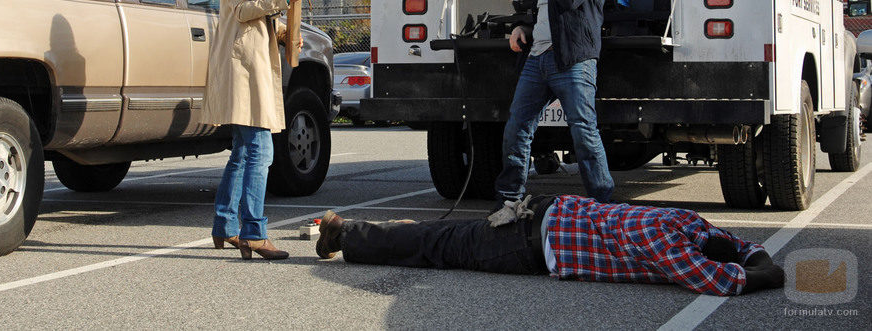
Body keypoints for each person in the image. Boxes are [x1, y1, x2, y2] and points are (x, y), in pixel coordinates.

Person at [314, 195, 785, 296]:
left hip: (541, 217)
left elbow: (735, 246)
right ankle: (347, 233)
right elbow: (714, 278)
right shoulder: (667, 241)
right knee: (437, 246)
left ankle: (357, 230)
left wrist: (753, 256)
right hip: (531, 243)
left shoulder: (688, 223)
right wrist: (765, 272)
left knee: (442, 237)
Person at [203, 0, 306, 261]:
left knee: (245, 151)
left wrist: (284, 34)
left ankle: (225, 226)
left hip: (255, 66)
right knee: (260, 152)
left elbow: (259, 19)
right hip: (242, 69)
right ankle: (254, 233)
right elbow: (242, 12)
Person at [493, 0, 614, 207]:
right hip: (537, 59)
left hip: (572, 60)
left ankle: (602, 203)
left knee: (583, 131)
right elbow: (544, 13)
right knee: (517, 128)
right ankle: (509, 201)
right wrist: (522, 27)